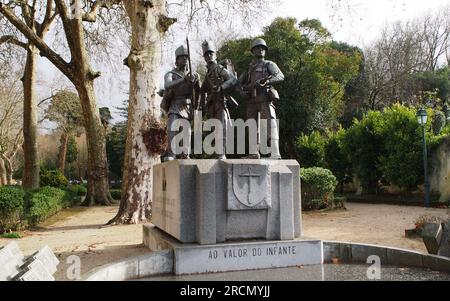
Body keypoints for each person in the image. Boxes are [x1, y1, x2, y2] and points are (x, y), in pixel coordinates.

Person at [238, 38, 284, 159]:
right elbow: (237, 83)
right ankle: (253, 152)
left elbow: (280, 76)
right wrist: (242, 92)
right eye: (258, 48)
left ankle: (275, 152)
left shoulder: (269, 64)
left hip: (264, 97)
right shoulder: (249, 69)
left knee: (270, 124)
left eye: (263, 48)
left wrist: (267, 81)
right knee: (252, 126)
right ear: (253, 51)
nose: (261, 50)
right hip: (251, 100)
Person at [200, 41, 238, 160]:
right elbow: (202, 90)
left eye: (211, 53)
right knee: (215, 129)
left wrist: (221, 87)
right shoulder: (208, 74)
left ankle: (221, 153)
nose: (209, 56)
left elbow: (232, 80)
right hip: (212, 104)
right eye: (206, 54)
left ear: (215, 55)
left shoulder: (219, 68)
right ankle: (217, 152)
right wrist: (202, 104)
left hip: (221, 102)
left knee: (222, 127)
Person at [163, 45, 200, 161]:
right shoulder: (171, 74)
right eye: (181, 57)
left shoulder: (194, 75)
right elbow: (167, 85)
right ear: (177, 60)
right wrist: (184, 80)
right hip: (175, 103)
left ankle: (185, 153)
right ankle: (171, 154)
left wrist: (196, 107)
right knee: (172, 127)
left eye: (186, 57)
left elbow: (199, 92)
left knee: (186, 130)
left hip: (187, 106)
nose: (184, 59)